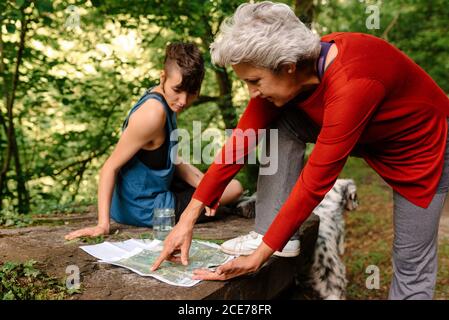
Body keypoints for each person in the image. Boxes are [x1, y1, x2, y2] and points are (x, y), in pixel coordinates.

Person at [151, 2, 449, 300]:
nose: (251, 92)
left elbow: (315, 181)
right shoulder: (287, 71)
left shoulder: (352, 82)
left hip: (422, 149)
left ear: (288, 66)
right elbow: (239, 143)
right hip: (369, 136)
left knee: (411, 264)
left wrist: (259, 257)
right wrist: (186, 220)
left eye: (254, 81)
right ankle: (271, 231)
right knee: (280, 120)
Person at [65, 42, 244, 241]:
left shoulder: (168, 101)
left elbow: (174, 160)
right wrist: (102, 225)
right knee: (234, 188)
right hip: (146, 207)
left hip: (156, 191)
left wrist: (207, 190)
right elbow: (109, 167)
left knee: (219, 187)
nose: (183, 100)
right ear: (162, 77)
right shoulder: (152, 113)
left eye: (191, 92)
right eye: (178, 89)